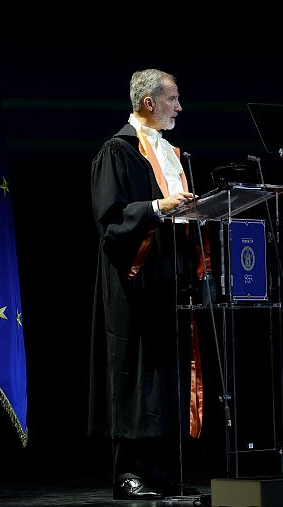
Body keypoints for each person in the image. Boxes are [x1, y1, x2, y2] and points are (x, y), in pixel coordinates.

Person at [88, 69, 198, 500]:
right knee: (134, 372)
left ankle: (161, 470)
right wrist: (157, 206)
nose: (179, 107)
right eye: (173, 99)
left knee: (165, 373)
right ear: (149, 102)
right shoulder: (117, 151)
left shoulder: (170, 151)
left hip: (169, 276)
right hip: (134, 276)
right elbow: (111, 220)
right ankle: (128, 472)